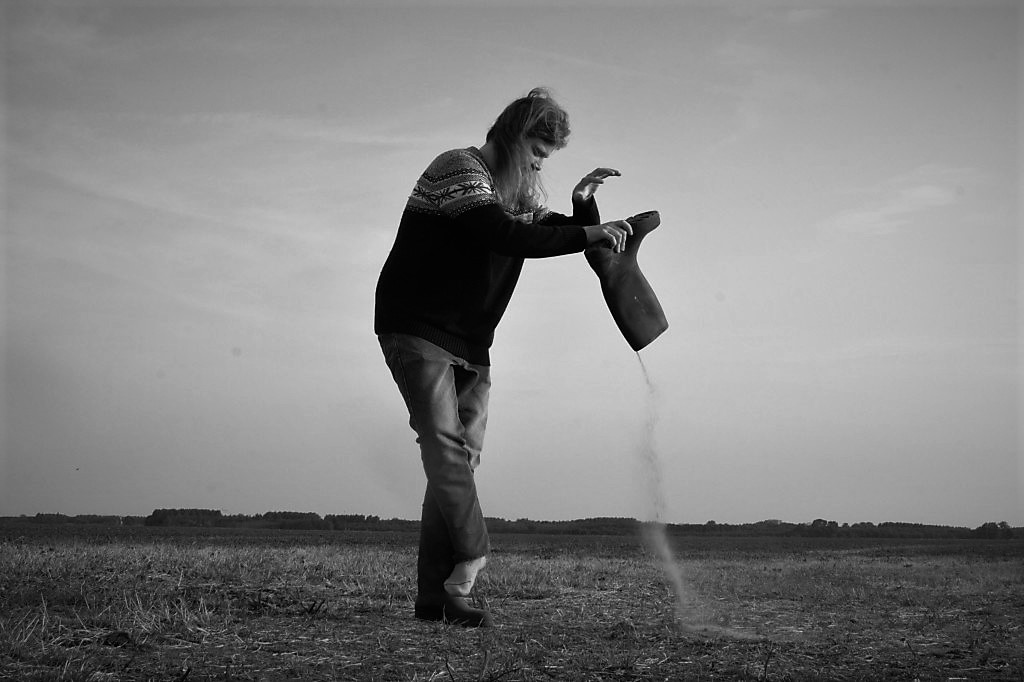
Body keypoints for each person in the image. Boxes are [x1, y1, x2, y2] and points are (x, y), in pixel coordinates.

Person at [374, 87, 631, 627]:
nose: (539, 165)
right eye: (536, 152)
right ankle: (471, 559)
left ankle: (438, 597)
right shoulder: (458, 170)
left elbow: (549, 229)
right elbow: (505, 235)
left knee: (458, 463)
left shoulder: (512, 194)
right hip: (417, 328)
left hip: (472, 342)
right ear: (512, 137)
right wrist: (588, 231)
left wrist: (584, 207)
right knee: (444, 447)